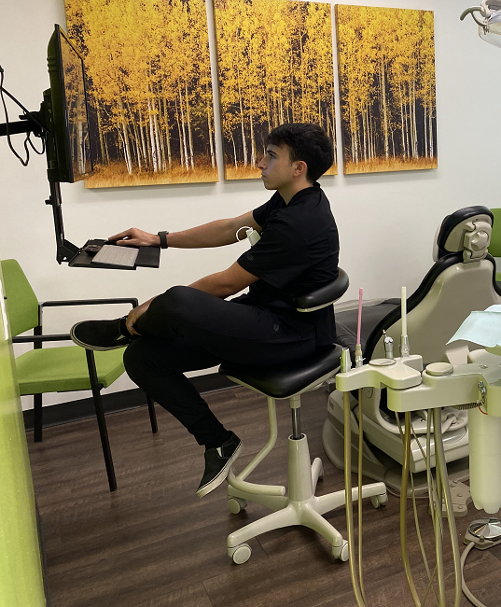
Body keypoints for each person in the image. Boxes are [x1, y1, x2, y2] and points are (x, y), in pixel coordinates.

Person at [70, 123, 339, 498]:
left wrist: (151, 308)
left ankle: (125, 328)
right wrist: (158, 239)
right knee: (143, 359)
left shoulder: (300, 221)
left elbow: (227, 284)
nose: (260, 162)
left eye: (271, 155)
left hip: (291, 337)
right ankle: (218, 442)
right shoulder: (290, 200)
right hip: (263, 318)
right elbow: (230, 228)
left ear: (299, 168)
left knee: (178, 300)